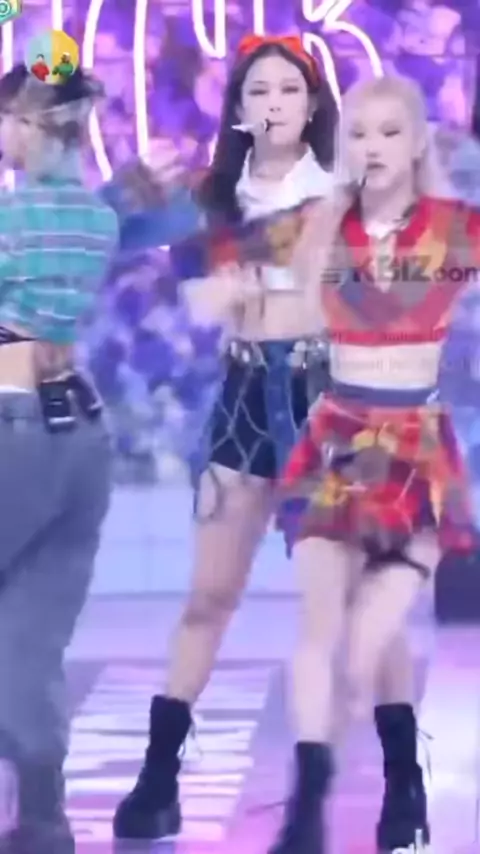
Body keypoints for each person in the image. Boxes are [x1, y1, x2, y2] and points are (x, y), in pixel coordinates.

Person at [113, 36, 428, 847]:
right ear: (240, 108)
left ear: (313, 103)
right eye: (259, 91)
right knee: (209, 596)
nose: (275, 103)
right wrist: (200, 280)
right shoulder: (208, 198)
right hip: (246, 401)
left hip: (336, 400)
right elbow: (159, 272)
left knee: (363, 602)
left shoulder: (346, 190)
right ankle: (158, 773)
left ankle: (404, 779)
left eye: (290, 89)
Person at [268, 73, 480, 854]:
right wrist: (324, 221)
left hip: (417, 452)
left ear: (418, 142)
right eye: (358, 133)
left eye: (390, 132)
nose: (372, 147)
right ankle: (307, 808)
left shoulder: (457, 229)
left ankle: (402, 776)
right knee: (321, 630)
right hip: (337, 439)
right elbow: (292, 306)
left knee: (366, 643)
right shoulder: (323, 226)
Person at [0, 66, 119, 853]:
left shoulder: (10, 219)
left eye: (10, 117)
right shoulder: (98, 220)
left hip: (8, 422)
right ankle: (42, 814)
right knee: (31, 638)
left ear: (39, 124)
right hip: (79, 433)